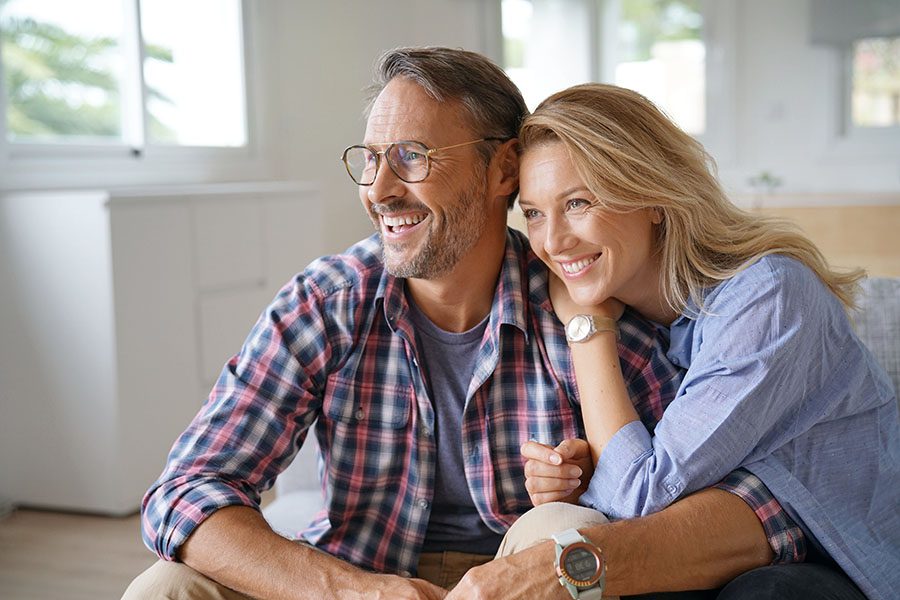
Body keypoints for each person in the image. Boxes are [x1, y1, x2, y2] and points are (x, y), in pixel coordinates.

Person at [125, 49, 806, 600]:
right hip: (359, 572)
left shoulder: (583, 304)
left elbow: (719, 496)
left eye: (413, 157)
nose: (379, 189)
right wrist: (351, 591)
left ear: (502, 169)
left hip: (521, 583)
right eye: (370, 158)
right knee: (166, 586)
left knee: (564, 524)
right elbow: (185, 489)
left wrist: (586, 481)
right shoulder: (326, 302)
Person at [493, 82, 899, 600]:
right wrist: (579, 473)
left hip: (831, 566)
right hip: (699, 555)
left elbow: (639, 498)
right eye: (533, 213)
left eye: (578, 202)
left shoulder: (768, 297)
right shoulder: (637, 316)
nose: (552, 241)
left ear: (653, 197)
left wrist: (586, 325)